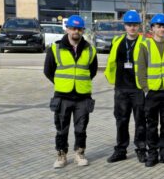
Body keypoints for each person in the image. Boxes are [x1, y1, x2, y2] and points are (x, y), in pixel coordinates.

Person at [43, 14, 98, 169]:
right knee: (61, 128)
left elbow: (92, 72)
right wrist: (62, 83)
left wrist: (79, 82)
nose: (76, 31)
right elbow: (48, 71)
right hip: (63, 95)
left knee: (81, 128)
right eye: (73, 28)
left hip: (82, 96)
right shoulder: (55, 48)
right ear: (67, 29)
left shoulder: (90, 50)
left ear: (82, 30)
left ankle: (79, 153)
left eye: (79, 29)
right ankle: (61, 155)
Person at [137, 13, 164, 167]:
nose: (162, 29)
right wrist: (145, 88)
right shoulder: (145, 45)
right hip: (152, 91)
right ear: (153, 29)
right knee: (151, 124)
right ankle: (152, 154)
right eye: (159, 26)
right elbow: (141, 69)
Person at [104, 10, 147, 163]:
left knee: (140, 121)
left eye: (135, 25)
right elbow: (112, 62)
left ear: (139, 26)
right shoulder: (117, 42)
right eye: (129, 25)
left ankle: (141, 149)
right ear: (125, 26)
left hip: (138, 89)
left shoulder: (145, 43)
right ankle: (121, 150)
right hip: (121, 88)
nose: (132, 28)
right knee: (121, 120)